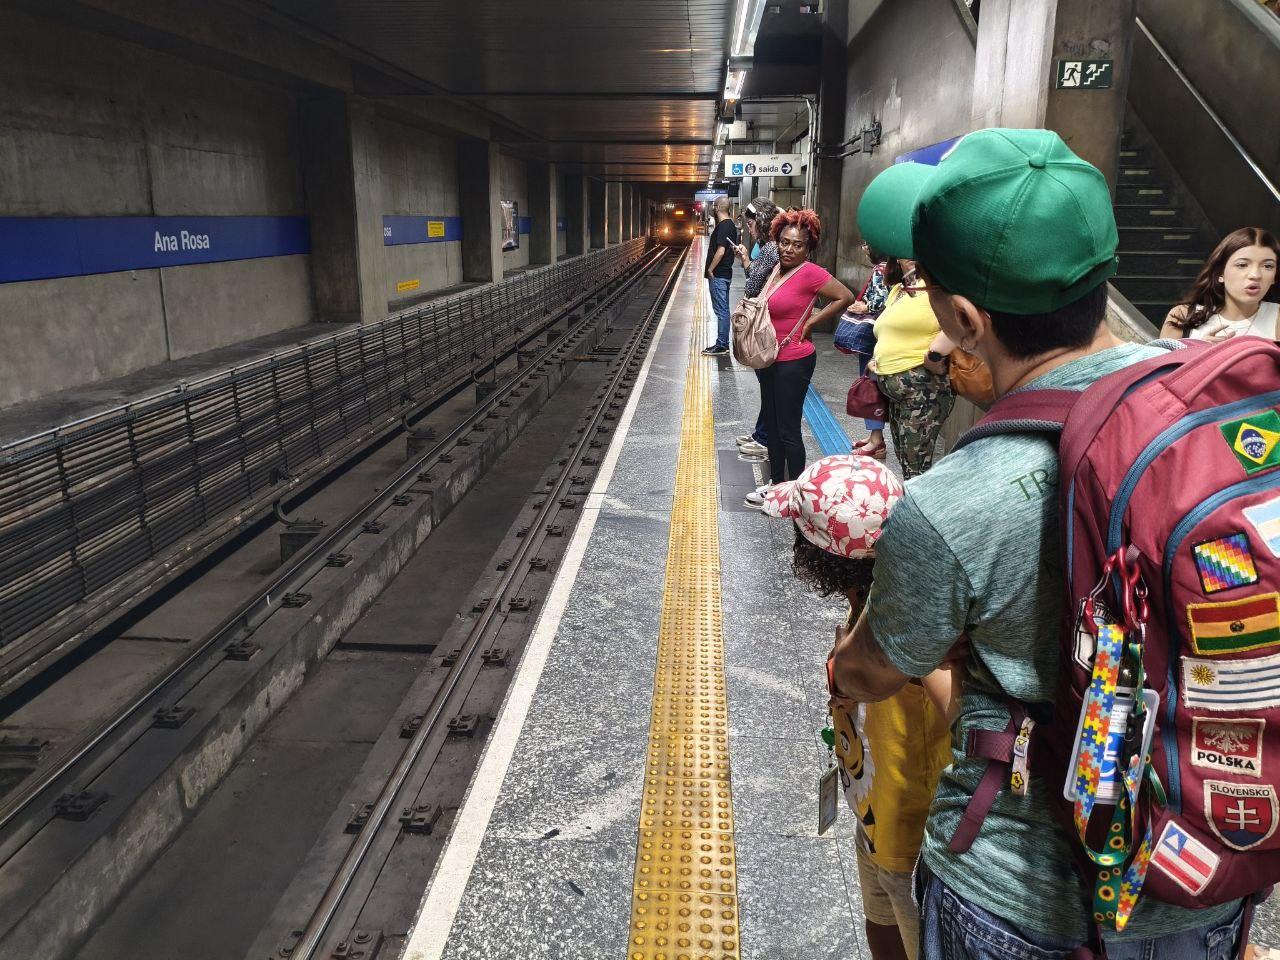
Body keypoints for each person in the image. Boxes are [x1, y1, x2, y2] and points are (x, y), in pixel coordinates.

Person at [835, 129, 1247, 959]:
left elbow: (872, 672)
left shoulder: (955, 499)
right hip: (1207, 874)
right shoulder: (1225, 419)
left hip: (1021, 897)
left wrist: (845, 660)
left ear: (964, 318)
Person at [764, 454, 952, 960]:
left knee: (912, 935)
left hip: (912, 837)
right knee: (880, 923)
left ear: (824, 553)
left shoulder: (908, 619)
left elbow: (958, 709)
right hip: (873, 814)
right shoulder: (870, 595)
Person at [743, 209, 855, 508]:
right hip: (769, 357)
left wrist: (812, 322)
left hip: (793, 360)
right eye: (784, 242)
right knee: (773, 425)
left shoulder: (810, 273)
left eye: (797, 245)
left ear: (808, 248)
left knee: (788, 429)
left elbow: (845, 296)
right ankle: (777, 486)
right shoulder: (776, 270)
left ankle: (796, 494)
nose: (789, 249)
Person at [868, 257, 956, 478]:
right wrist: (878, 358)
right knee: (906, 462)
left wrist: (934, 355)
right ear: (897, 259)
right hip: (897, 392)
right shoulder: (898, 290)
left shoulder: (939, 288)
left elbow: (962, 323)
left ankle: (918, 502)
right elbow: (888, 331)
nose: (912, 257)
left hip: (923, 388)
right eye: (906, 252)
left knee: (915, 468)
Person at [1159, 227, 1280, 341]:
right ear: (1220, 273)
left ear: (1275, 276)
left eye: (1268, 266)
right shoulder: (1182, 315)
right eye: (1242, 265)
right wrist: (1199, 349)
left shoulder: (1276, 317)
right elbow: (1163, 357)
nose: (1255, 275)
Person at [732, 198, 781, 461]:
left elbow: (752, 285)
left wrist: (746, 263)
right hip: (769, 320)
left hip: (765, 323)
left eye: (751, 225)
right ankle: (761, 432)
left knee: (768, 383)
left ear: (761, 222)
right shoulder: (772, 247)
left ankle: (765, 438)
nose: (749, 230)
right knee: (767, 383)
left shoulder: (770, 248)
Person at [845, 241, 891, 458]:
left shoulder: (880, 270)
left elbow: (881, 300)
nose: (864, 248)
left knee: (870, 386)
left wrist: (865, 306)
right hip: (883, 335)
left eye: (867, 244)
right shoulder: (891, 268)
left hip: (873, 337)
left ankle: (876, 440)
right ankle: (875, 435)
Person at [702, 196, 739, 356]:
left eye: (713, 206)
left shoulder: (724, 226)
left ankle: (722, 345)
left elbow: (721, 251)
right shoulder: (730, 225)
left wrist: (710, 269)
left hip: (719, 274)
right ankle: (723, 343)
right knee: (722, 310)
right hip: (725, 273)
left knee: (721, 311)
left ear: (717, 207)